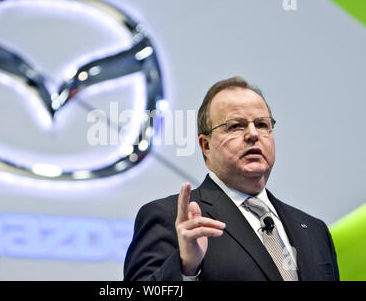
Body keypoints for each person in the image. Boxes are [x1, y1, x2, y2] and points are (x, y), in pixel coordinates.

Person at [123, 77, 339, 281]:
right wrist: (186, 268)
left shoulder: (314, 230)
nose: (253, 134)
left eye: (262, 125)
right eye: (236, 126)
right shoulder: (171, 218)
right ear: (206, 146)